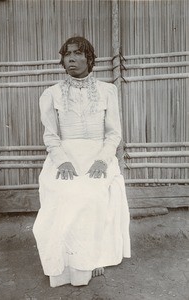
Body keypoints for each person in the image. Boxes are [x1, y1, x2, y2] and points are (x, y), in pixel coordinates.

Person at [33, 36, 130, 287]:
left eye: (78, 53)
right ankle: (67, 263)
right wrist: (62, 162)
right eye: (67, 54)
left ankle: (93, 257)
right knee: (65, 192)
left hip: (99, 155)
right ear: (62, 60)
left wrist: (102, 160)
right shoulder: (52, 94)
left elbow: (113, 134)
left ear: (89, 58)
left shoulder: (108, 91)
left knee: (93, 194)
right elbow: (51, 136)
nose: (72, 58)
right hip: (65, 157)